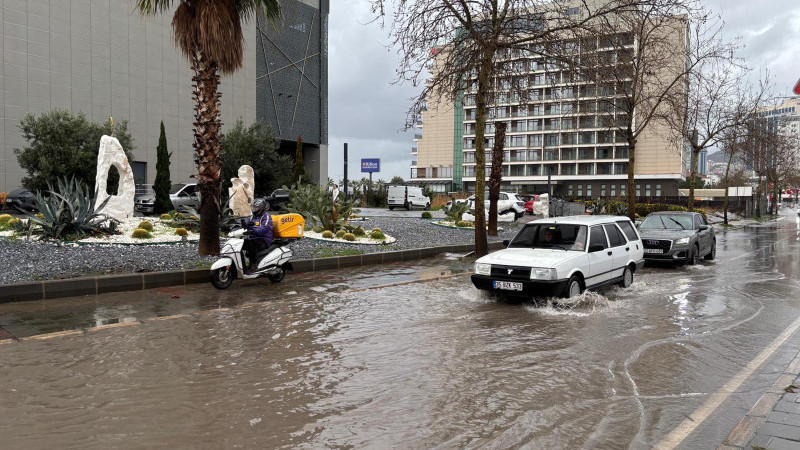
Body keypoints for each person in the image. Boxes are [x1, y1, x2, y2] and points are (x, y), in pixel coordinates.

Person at [243, 198, 273, 273]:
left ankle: (254, 264)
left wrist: (253, 231)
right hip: (254, 238)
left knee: (251, 244)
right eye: (254, 207)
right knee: (241, 244)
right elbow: (247, 223)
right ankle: (242, 265)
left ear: (261, 208)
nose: (254, 209)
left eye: (256, 207)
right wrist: (244, 224)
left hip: (264, 239)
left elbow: (264, 229)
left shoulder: (266, 217)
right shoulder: (253, 216)